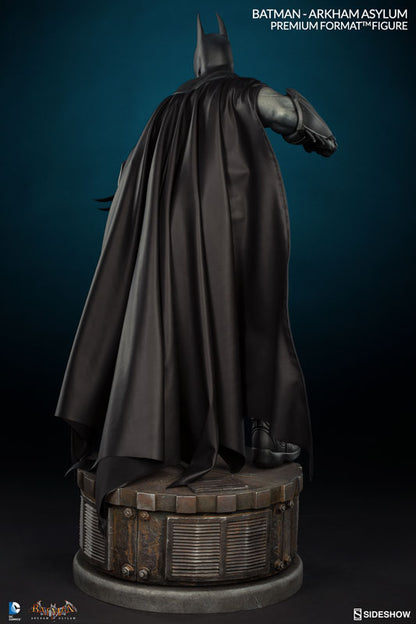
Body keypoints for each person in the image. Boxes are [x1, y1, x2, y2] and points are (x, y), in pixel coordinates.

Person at [56, 14, 337, 527]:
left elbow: (126, 173)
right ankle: (265, 431)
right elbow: (289, 115)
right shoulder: (242, 91)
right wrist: (312, 130)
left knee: (171, 328)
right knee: (252, 321)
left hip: (168, 248)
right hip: (232, 239)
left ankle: (178, 430)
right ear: (228, 59)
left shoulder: (167, 107)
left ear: (198, 62)